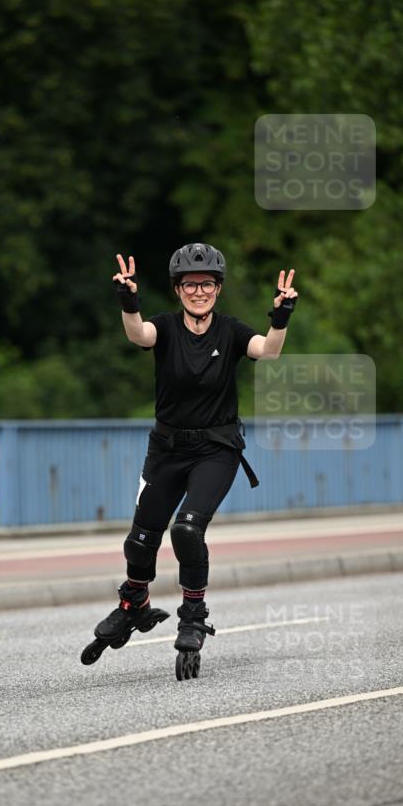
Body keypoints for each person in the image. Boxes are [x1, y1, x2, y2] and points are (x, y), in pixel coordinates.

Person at [81, 242, 297, 679]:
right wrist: (128, 302)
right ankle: (134, 602)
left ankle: (194, 615)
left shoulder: (230, 331)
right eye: (190, 284)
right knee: (140, 539)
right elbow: (139, 335)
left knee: (186, 529)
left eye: (207, 284)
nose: (199, 291)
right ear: (178, 289)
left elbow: (268, 350)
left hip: (215, 450)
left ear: (218, 288)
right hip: (166, 450)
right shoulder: (164, 327)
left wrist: (281, 317)